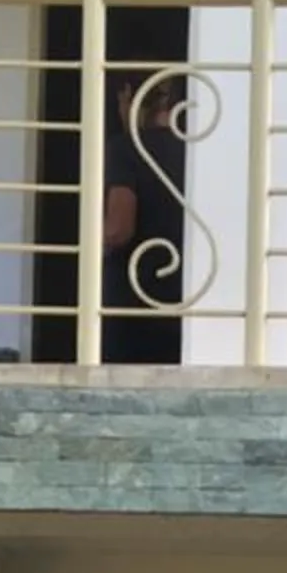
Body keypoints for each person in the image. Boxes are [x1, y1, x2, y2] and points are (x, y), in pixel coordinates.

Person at [100, 69, 186, 364]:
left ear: (128, 98)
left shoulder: (124, 150)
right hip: (184, 296)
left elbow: (119, 228)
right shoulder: (199, 151)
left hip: (133, 300)